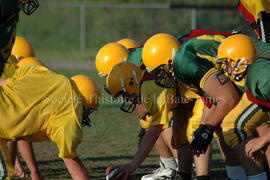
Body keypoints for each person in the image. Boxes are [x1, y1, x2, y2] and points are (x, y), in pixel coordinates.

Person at [141, 33, 251, 180]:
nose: (163, 77)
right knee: (219, 129)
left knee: (232, 128)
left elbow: (228, 98)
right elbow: (210, 98)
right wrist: (204, 127)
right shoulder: (183, 62)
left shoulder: (184, 63)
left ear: (169, 60)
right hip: (243, 77)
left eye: (161, 71)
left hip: (250, 75)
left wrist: (207, 129)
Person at [0, 64, 101, 179]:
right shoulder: (68, 114)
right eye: (87, 111)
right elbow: (71, 160)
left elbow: (9, 82)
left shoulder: (48, 75)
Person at [105, 62, 193, 180]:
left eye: (124, 94)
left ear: (131, 82)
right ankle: (173, 168)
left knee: (167, 126)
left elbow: (155, 130)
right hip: (188, 105)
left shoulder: (151, 85)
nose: (126, 99)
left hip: (201, 102)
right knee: (163, 126)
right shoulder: (146, 81)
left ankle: (190, 169)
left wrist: (132, 165)